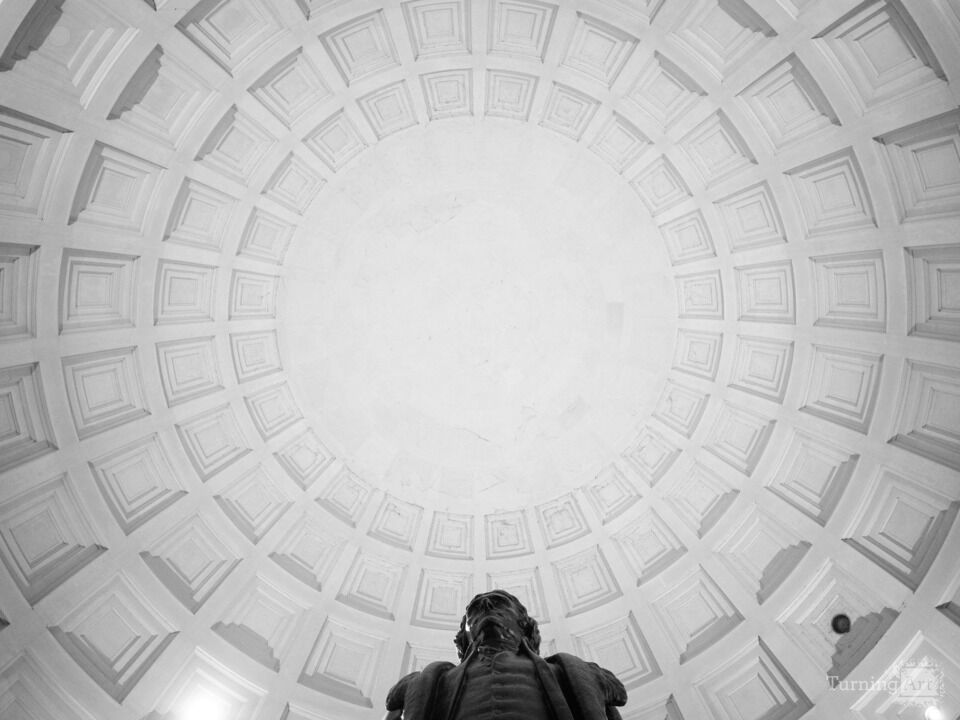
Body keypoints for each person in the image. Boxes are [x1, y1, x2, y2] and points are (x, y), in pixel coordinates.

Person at [385, 589, 627, 720]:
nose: (488, 608)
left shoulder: (572, 674)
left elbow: (616, 699)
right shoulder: (431, 681)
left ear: (524, 624)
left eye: (499, 603)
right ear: (465, 636)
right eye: (476, 610)